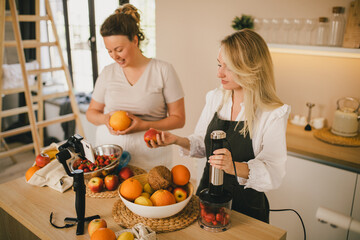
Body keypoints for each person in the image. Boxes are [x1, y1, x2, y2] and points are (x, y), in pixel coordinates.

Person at [147, 29, 290, 223]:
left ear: (250, 67)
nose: (219, 73)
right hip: (207, 200)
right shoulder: (216, 98)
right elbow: (203, 144)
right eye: (219, 64)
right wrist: (177, 140)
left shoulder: (272, 113)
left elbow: (274, 172)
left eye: (228, 67)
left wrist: (233, 167)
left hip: (246, 210)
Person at [86, 4, 185, 171]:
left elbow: (179, 119)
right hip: (110, 161)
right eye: (109, 51)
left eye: (119, 49)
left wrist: (144, 125)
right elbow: (91, 112)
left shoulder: (163, 70)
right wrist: (106, 120)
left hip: (151, 160)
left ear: (135, 40)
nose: (114, 56)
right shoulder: (107, 72)